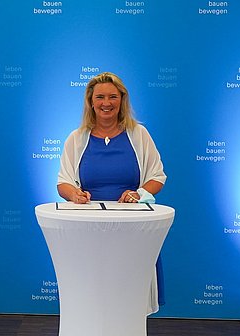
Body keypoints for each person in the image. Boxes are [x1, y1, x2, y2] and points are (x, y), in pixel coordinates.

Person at [56, 71, 166, 312]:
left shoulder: (139, 135)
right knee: (92, 303)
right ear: (91, 102)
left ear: (122, 100)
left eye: (113, 97)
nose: (106, 103)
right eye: (100, 97)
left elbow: (157, 177)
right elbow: (63, 183)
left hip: (133, 231)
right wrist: (74, 194)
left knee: (129, 304)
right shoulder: (76, 139)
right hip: (89, 233)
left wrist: (139, 194)